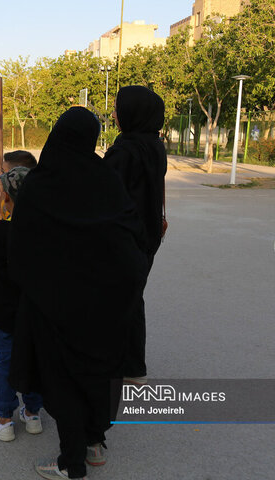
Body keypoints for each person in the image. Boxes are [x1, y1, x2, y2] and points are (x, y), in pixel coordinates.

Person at [7, 107, 147, 479]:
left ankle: (72, 462)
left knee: (62, 380)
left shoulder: (40, 184)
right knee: (99, 375)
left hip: (54, 305)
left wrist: (37, 287)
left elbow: (20, 245)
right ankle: (94, 443)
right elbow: (129, 234)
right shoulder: (106, 179)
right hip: (106, 304)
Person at [0, 166, 44, 442]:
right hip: (34, 309)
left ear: (6, 197)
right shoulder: (45, 232)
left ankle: (4, 420)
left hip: (3, 310)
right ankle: (33, 414)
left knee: (5, 360)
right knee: (33, 358)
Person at [105, 86, 168, 384]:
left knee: (117, 302)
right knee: (133, 299)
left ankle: (119, 366)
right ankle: (133, 367)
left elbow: (106, 197)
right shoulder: (154, 145)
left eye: (118, 108)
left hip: (123, 238)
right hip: (148, 234)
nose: (115, 114)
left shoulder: (124, 151)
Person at [0, 150, 38, 378]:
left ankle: (5, 411)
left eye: (4, 174)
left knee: (10, 338)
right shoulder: (39, 219)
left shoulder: (1, 229)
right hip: (28, 298)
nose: (0, 180)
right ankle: (31, 408)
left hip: (9, 298)